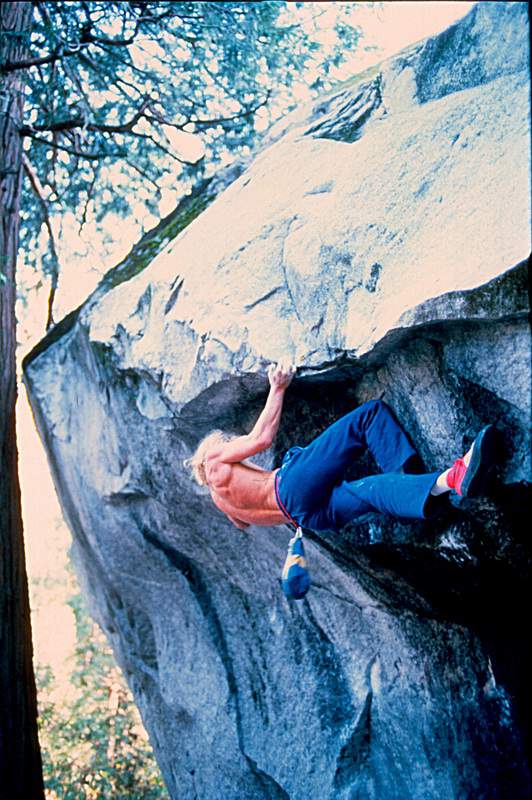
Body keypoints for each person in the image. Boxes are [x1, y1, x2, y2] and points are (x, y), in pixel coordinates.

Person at [184, 363, 496, 533]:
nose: (230, 444)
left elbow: (241, 525)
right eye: (227, 441)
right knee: (368, 416)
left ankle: (447, 482)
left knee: (373, 491)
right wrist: (277, 388)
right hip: (292, 488)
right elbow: (260, 439)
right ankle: (411, 485)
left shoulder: (222, 502)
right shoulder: (214, 457)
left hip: (308, 519)